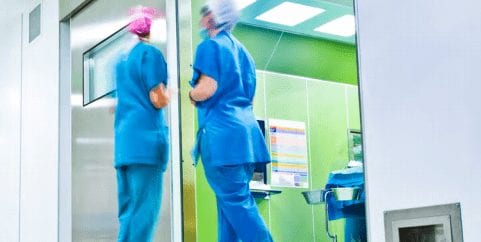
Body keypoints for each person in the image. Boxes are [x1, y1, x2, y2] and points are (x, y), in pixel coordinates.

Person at [189, 0, 273, 241]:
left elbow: (207, 88)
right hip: (246, 141)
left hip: (222, 140)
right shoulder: (244, 52)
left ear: (212, 18)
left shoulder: (210, 47)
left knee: (238, 206)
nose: (201, 18)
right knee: (230, 210)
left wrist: (191, 93)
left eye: (205, 13)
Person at [113, 6, 170, 242]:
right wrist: (171, 93)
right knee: (144, 216)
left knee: (128, 216)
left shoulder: (121, 62)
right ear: (151, 28)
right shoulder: (150, 55)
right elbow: (157, 99)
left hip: (125, 147)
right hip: (146, 146)